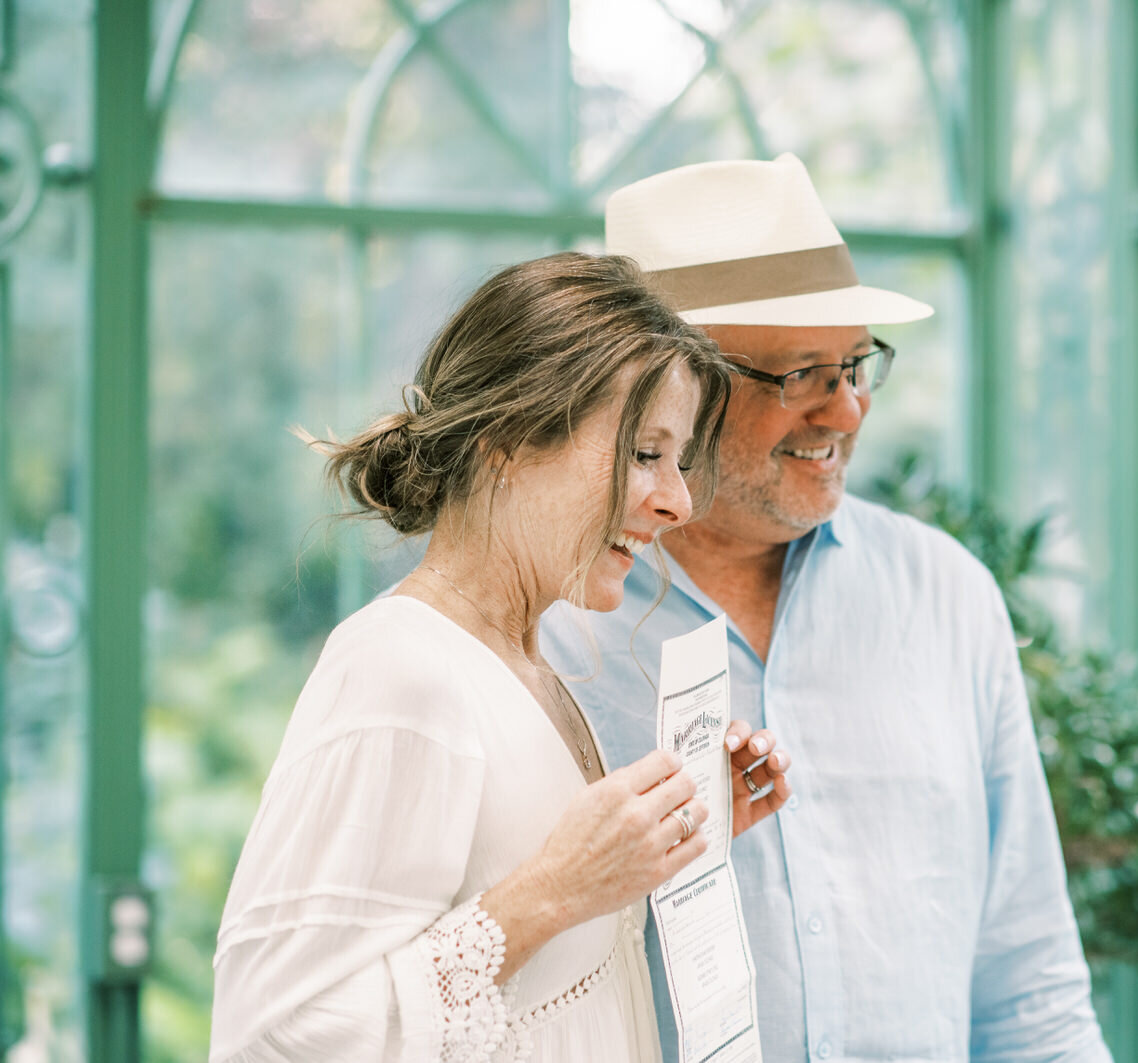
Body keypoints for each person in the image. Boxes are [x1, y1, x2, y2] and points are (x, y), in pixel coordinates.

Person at [541, 156, 1114, 1061]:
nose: (847, 411)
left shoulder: (948, 595)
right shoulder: (546, 624)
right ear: (668, 392)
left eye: (855, 364)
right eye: (802, 374)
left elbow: (1029, 982)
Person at [209, 252, 792, 1062]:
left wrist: (669, 837)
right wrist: (554, 889)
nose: (679, 501)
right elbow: (275, 1031)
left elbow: (541, 984)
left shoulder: (535, 662)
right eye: (644, 453)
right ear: (509, 441)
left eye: (678, 458)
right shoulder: (397, 668)